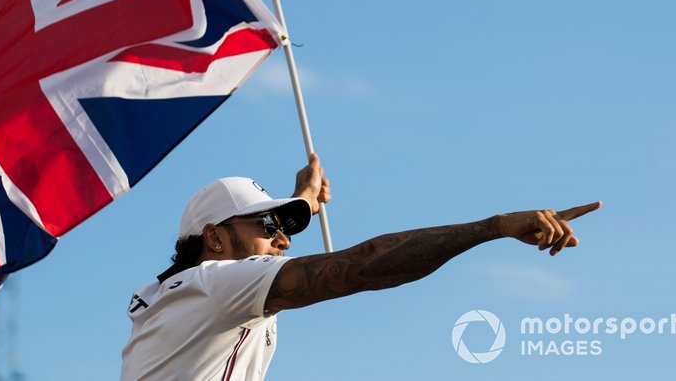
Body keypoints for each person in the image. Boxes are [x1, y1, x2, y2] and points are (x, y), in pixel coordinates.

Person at [120, 154, 601, 380]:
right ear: (215, 237)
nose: (283, 237)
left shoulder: (185, 292)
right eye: (269, 223)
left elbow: (283, 238)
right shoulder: (216, 284)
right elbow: (361, 266)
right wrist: (493, 227)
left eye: (287, 225)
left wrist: (303, 196)